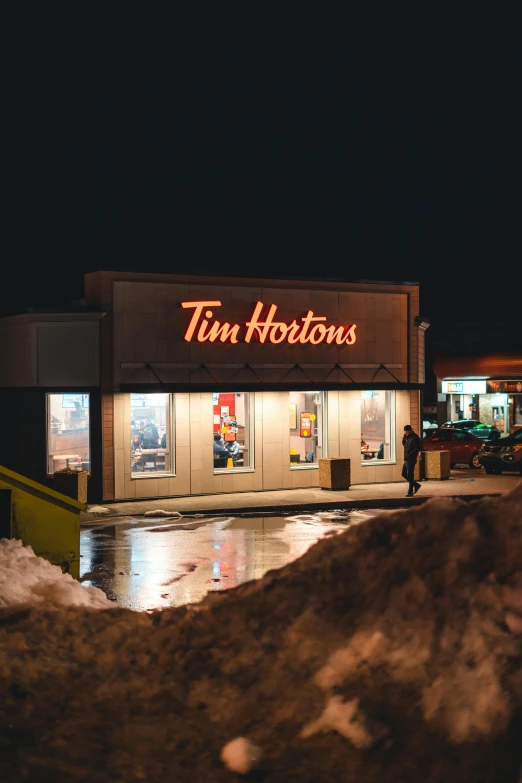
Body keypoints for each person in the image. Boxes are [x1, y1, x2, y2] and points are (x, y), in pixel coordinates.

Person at [402, 424, 422, 497]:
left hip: (411, 458)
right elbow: (404, 445)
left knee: (410, 475)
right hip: (406, 458)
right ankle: (416, 485)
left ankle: (410, 492)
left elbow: (418, 447)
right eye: (405, 431)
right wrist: (404, 438)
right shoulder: (407, 437)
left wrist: (419, 455)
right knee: (404, 474)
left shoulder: (415, 437)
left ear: (410, 430)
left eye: (407, 431)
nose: (405, 433)